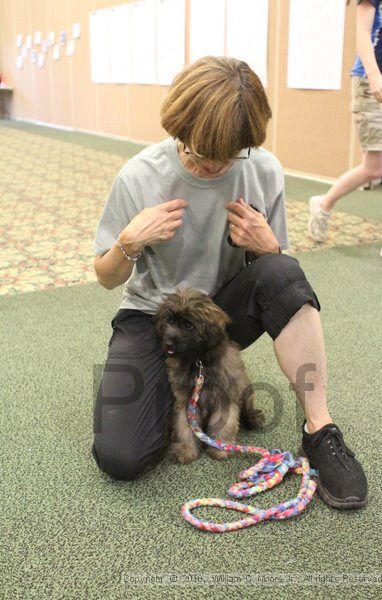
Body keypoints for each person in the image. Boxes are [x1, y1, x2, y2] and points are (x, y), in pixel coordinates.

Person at [92, 56, 367, 509]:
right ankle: (190, 386)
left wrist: (268, 245)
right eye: (202, 155)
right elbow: (105, 277)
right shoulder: (140, 175)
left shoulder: (263, 169)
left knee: (282, 269)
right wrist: (129, 241)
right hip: (154, 316)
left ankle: (320, 429)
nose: (215, 168)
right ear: (180, 130)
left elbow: (279, 281)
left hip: (221, 313)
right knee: (120, 457)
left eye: (230, 156)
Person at [309, 0, 382, 260]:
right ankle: (324, 204)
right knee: (375, 168)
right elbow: (362, 30)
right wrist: (373, 75)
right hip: (375, 80)